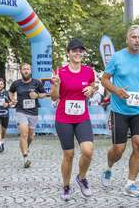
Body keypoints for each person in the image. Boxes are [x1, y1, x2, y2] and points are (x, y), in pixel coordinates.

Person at [101, 25, 139, 197]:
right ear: (128, 39)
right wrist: (116, 91)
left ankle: (130, 183)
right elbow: (104, 79)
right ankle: (109, 167)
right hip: (119, 111)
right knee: (118, 150)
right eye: (133, 37)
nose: (136, 40)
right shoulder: (117, 57)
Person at [51, 38, 95, 201]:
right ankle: (66, 186)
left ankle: (82, 178)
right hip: (64, 119)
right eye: (74, 50)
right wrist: (55, 85)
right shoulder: (60, 73)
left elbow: (93, 85)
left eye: (80, 50)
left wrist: (92, 88)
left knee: (88, 151)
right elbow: (55, 97)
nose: (78, 53)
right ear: (68, 53)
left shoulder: (88, 71)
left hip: (82, 117)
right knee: (68, 154)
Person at [9, 63, 47, 168]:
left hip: (33, 112)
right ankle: (25, 157)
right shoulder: (16, 83)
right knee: (24, 134)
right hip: (21, 111)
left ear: (31, 71)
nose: (26, 71)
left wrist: (37, 95)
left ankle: (26, 146)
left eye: (28, 69)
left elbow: (44, 94)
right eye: (24, 69)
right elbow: (11, 92)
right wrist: (12, 99)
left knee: (30, 136)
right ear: (21, 71)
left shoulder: (37, 83)